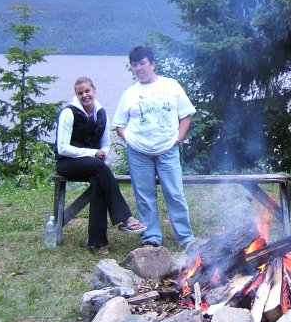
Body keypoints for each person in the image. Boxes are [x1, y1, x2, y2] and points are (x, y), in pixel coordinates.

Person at [112, 46, 197, 251]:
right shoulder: (130, 93)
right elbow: (119, 124)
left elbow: (187, 114)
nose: (139, 68)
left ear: (152, 63)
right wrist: (130, 140)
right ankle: (151, 237)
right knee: (144, 195)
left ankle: (186, 238)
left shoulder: (171, 86)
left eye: (142, 63)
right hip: (139, 153)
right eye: (135, 65)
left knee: (174, 193)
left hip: (167, 149)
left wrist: (180, 137)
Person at [55, 76, 146, 255]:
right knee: (100, 169)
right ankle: (126, 217)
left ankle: (98, 243)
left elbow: (105, 143)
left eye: (87, 91)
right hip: (67, 163)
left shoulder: (101, 112)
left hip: (92, 165)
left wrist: (102, 153)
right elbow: (62, 148)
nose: (84, 96)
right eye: (80, 93)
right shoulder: (68, 112)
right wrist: (92, 154)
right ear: (76, 95)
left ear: (94, 89)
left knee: (99, 179)